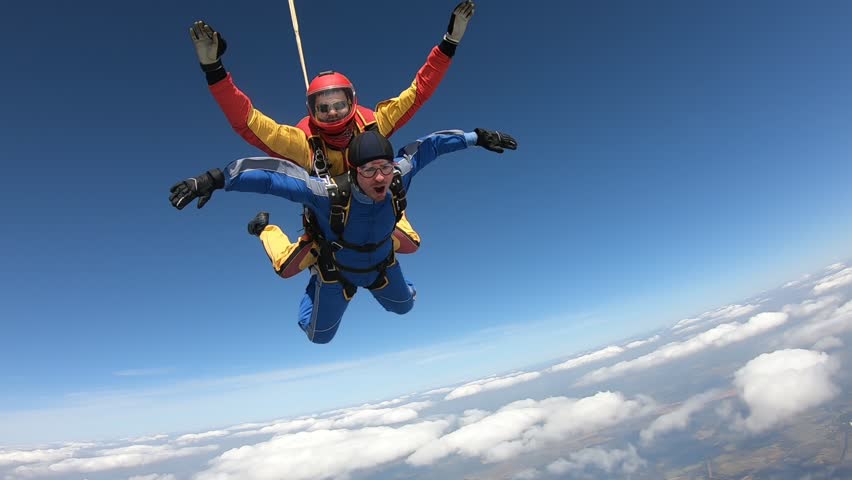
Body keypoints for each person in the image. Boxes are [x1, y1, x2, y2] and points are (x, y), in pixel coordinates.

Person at [189, 1, 476, 277]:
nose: (332, 112)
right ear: (311, 111)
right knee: (286, 268)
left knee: (411, 244)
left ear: (353, 102)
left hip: (375, 207)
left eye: (339, 103)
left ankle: (384, 226)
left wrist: (449, 42)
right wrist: (214, 70)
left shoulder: (373, 124)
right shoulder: (304, 145)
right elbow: (248, 122)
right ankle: (264, 229)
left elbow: (419, 91)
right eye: (322, 108)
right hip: (328, 224)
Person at [169, 128, 517, 344]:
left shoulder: (398, 175)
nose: (380, 177)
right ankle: (265, 230)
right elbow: (273, 176)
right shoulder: (327, 192)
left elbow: (429, 147)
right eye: (369, 170)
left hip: (382, 261)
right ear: (354, 170)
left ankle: (395, 222)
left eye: (385, 167)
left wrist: (476, 137)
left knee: (405, 306)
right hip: (334, 269)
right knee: (315, 331)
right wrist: (215, 178)